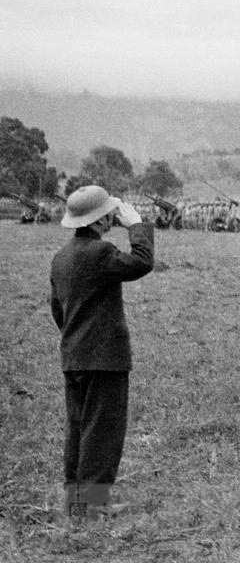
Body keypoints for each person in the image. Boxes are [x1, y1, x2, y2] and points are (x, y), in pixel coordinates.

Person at [50, 185, 154, 519]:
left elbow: (57, 310)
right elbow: (141, 263)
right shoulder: (100, 253)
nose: (114, 215)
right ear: (101, 219)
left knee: (78, 428)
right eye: (110, 212)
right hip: (105, 359)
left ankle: (77, 503)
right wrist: (136, 225)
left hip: (73, 356)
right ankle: (93, 506)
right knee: (102, 430)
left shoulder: (61, 257)